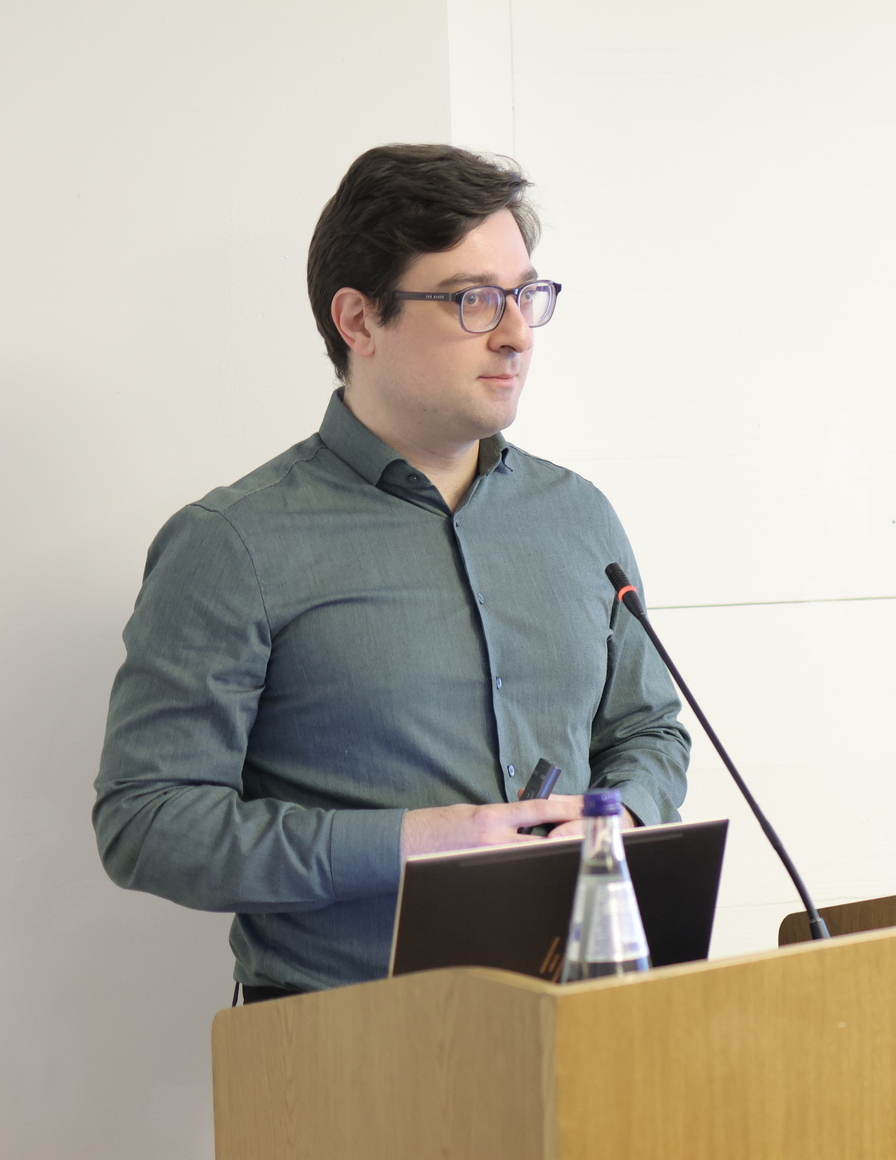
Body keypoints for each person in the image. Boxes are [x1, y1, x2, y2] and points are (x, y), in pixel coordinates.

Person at [92, 144, 690, 1000]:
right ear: (360, 321)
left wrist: (617, 815)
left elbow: (649, 730)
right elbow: (147, 823)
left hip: (584, 1011)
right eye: (473, 300)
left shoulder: (578, 516)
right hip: (348, 1039)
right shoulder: (231, 544)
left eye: (525, 295)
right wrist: (413, 842)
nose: (517, 333)